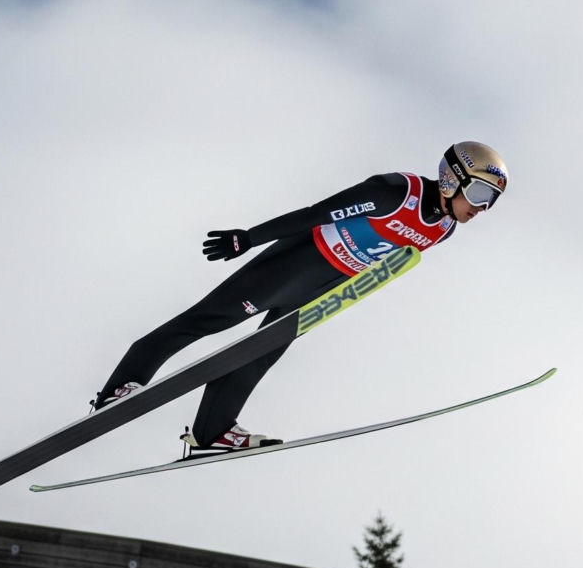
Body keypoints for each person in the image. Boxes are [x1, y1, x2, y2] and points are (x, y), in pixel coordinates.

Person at [89, 141, 509, 457]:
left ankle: (211, 432)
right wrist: (249, 238)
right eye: (477, 196)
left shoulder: (444, 229)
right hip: (297, 261)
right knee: (211, 319)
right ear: (453, 179)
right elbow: (317, 213)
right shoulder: (396, 192)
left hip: (328, 284)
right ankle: (122, 385)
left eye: (489, 202)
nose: (480, 209)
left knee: (261, 351)